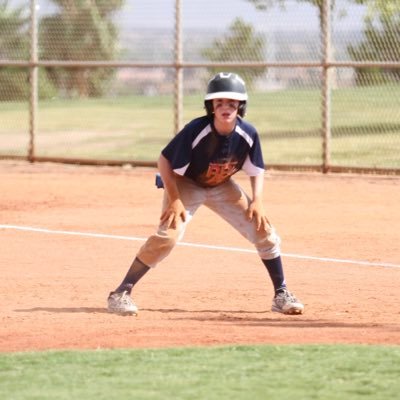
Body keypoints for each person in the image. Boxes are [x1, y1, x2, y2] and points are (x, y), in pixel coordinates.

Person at [107, 72, 304, 316]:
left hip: (221, 185)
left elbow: (256, 169)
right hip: (186, 183)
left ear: (240, 106)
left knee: (263, 229)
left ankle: (281, 293)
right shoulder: (196, 130)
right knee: (167, 237)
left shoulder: (248, 133)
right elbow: (164, 161)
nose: (225, 107)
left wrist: (258, 201)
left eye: (231, 102)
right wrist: (175, 199)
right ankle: (121, 292)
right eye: (219, 102)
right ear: (210, 106)